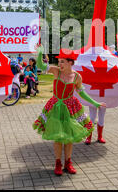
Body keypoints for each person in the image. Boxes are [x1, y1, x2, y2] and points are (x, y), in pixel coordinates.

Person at [33, 46, 106, 176]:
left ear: (71, 62)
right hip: (56, 107)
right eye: (59, 61)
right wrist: (39, 53)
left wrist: (95, 103)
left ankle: (68, 163)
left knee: (69, 138)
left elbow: (82, 93)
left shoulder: (77, 76)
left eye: (63, 61)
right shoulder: (56, 71)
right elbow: (40, 65)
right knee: (58, 138)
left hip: (71, 108)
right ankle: (58, 163)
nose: (60, 64)